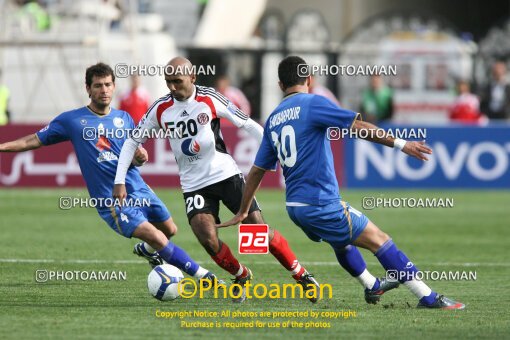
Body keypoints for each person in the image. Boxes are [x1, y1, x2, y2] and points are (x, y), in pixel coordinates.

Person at [218, 56, 465, 310]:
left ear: (281, 85)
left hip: (295, 208)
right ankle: (428, 297)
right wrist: (402, 144)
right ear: (309, 80)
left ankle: (371, 284)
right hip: (320, 203)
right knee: (380, 239)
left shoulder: (273, 119)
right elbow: (357, 126)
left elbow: (257, 170)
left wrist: (244, 209)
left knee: (341, 241)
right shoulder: (313, 103)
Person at [114, 56, 319, 303]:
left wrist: (274, 151)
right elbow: (132, 141)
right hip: (193, 185)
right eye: (168, 82)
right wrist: (119, 180)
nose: (172, 87)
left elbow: (248, 125)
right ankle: (240, 275)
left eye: (177, 81)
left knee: (257, 235)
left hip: (226, 176)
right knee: (207, 239)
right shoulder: (161, 108)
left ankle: (301, 275)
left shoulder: (209, 98)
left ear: (192, 78)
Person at [0, 62, 220, 285]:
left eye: (107, 85)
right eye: (97, 86)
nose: (103, 90)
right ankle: (206, 278)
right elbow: (33, 140)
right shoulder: (72, 121)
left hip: (138, 187)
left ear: (114, 86)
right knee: (156, 236)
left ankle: (147, 251)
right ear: (88, 89)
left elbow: (134, 153)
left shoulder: (124, 118)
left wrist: (139, 156)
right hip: (111, 198)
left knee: (169, 229)